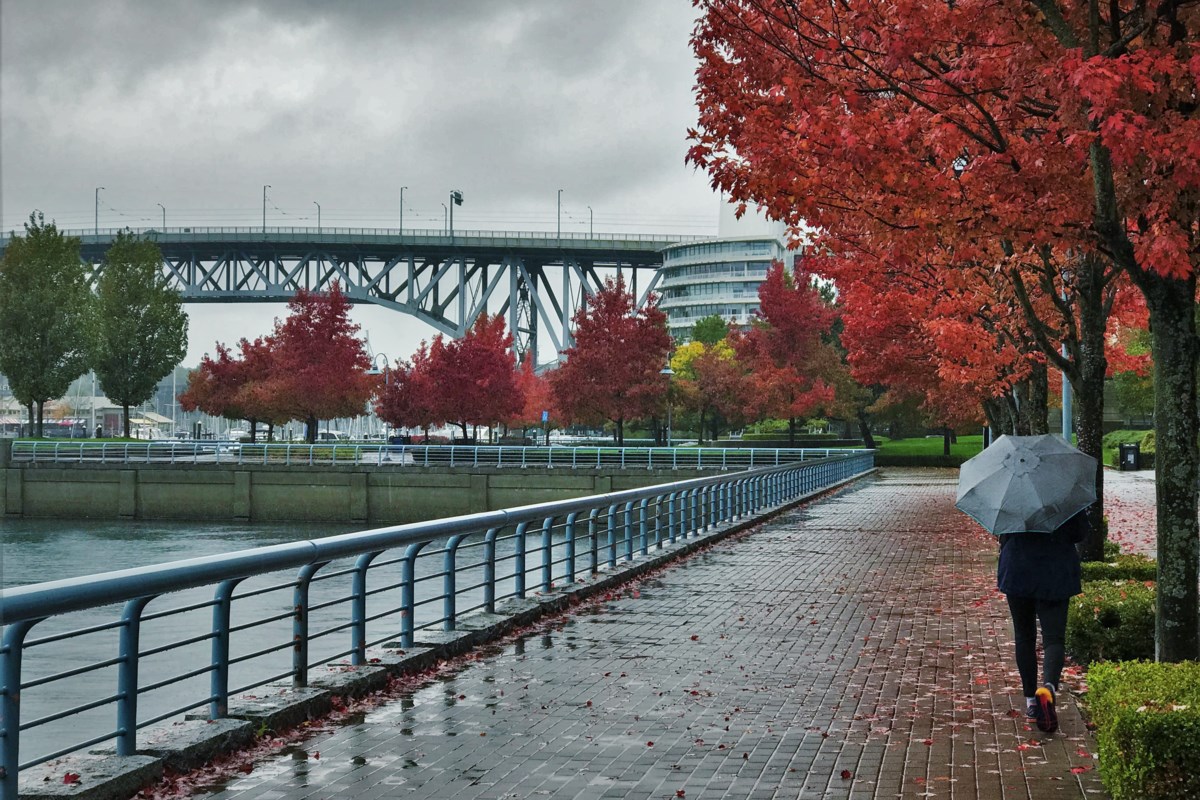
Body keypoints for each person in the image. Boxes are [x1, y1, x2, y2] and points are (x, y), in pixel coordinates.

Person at [996, 510, 1088, 734]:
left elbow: (1002, 534)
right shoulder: (1066, 496)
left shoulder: (1013, 496)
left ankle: (1030, 701)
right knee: (1054, 638)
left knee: (1024, 635)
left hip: (1017, 567)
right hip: (1056, 570)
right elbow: (1080, 533)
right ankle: (1048, 687)